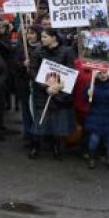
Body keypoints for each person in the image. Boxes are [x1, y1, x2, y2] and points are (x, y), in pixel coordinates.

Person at [27, 28, 76, 159]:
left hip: (59, 93)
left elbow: (71, 70)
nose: (42, 39)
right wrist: (45, 87)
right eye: (42, 36)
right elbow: (33, 71)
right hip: (42, 92)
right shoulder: (38, 51)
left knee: (57, 121)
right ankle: (35, 147)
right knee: (40, 121)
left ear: (54, 37)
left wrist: (58, 86)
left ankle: (56, 148)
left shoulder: (67, 51)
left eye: (45, 37)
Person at [83, 67, 109, 170]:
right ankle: (91, 158)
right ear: (96, 75)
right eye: (100, 73)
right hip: (95, 116)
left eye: (104, 73)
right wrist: (88, 94)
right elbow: (85, 100)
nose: (102, 75)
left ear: (108, 74)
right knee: (94, 139)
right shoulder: (91, 86)